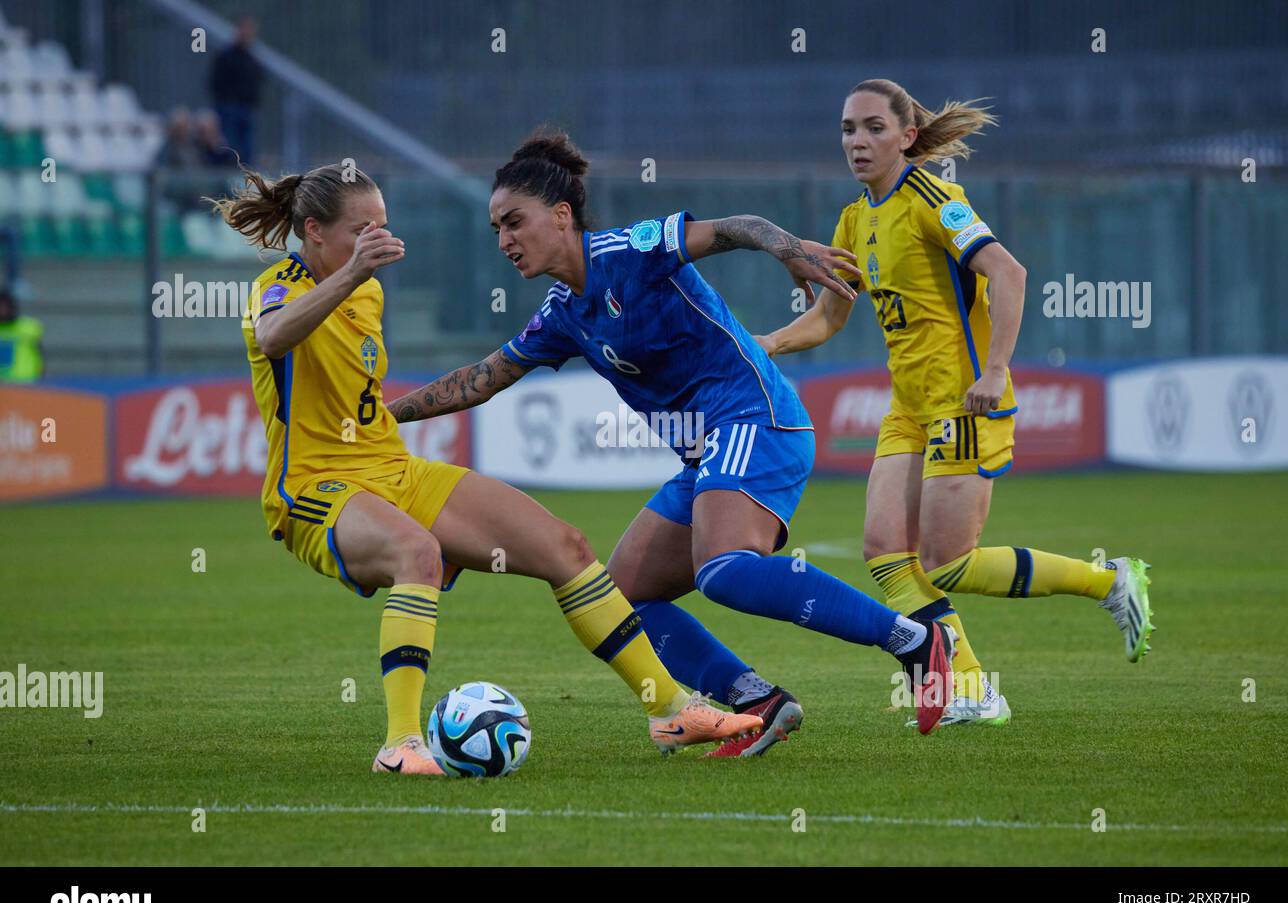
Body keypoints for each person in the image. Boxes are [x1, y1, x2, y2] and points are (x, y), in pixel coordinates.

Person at [387, 130, 959, 742]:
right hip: (707, 451)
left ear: (560, 216)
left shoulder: (626, 251)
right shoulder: (561, 313)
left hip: (754, 416)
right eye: (496, 228)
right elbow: (480, 380)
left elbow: (733, 226)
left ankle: (917, 640)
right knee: (620, 597)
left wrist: (788, 249)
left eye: (513, 221)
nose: (503, 240)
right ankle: (756, 700)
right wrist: (381, 415)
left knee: (725, 568)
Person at [206, 162, 760, 776]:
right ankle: (400, 745)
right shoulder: (278, 287)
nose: (378, 242)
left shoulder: (368, 288)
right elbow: (276, 337)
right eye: (363, 230)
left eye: (383, 228)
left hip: (392, 469)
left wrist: (361, 288)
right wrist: (355, 270)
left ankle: (671, 710)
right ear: (313, 231)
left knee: (566, 546)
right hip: (313, 488)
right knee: (416, 553)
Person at [755, 78, 1154, 728]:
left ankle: (1110, 582)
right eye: (848, 129)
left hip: (962, 402)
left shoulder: (936, 199)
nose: (857, 140)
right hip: (907, 405)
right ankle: (971, 686)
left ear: (907, 136)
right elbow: (829, 318)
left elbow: (1011, 273)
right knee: (885, 553)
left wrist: (995, 370)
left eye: (873, 128)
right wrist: (766, 342)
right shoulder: (856, 217)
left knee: (950, 563)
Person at [209, 15, 261, 164]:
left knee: (247, 150)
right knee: (229, 147)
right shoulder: (226, 56)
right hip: (228, 108)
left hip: (246, 109)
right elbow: (215, 82)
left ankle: (244, 179)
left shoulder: (252, 58)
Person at [0, 290, 44, 382]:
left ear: (13, 307)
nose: (2, 310)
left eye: (5, 306)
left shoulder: (30, 327)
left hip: (26, 383)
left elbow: (40, 355)